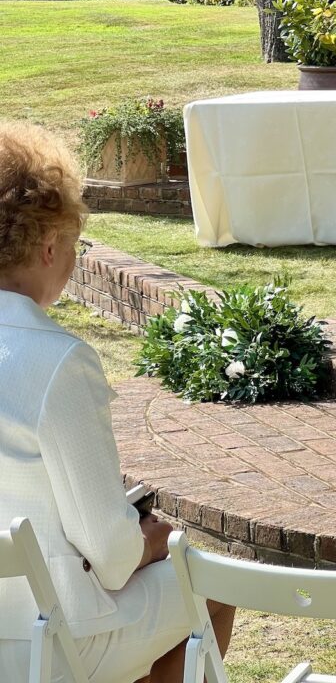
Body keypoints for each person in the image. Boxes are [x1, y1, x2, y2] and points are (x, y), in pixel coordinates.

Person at [0, 121, 235, 682]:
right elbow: (107, 551)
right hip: (44, 641)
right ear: (51, 244)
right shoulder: (58, 360)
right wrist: (148, 542)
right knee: (214, 586)